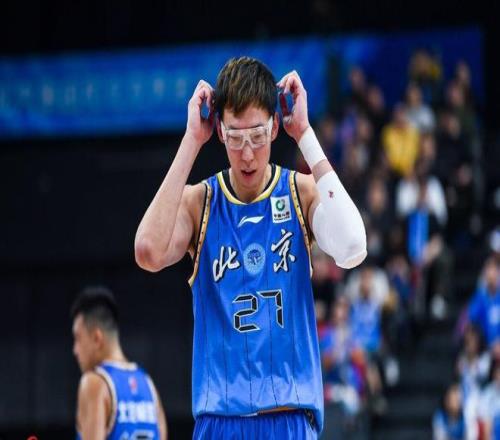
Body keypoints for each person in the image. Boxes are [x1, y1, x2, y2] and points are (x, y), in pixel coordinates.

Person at [134, 56, 367, 439]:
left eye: (257, 136)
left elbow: (354, 247)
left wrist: (305, 134)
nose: (247, 153)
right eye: (236, 137)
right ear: (220, 131)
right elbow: (148, 252)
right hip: (220, 421)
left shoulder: (300, 192)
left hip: (289, 418)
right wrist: (191, 140)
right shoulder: (200, 202)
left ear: (275, 126)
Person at [71, 286, 167, 440]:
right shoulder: (148, 385)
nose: (75, 350)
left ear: (97, 338)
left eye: (78, 338)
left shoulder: (94, 383)